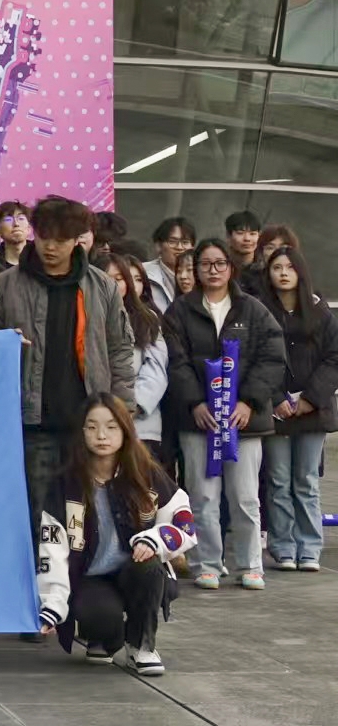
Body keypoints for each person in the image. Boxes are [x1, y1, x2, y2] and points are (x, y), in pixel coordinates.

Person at [0, 197, 135, 546]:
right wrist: (2, 342)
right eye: (44, 237)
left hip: (89, 422)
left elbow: (120, 349)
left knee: (86, 513)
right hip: (31, 423)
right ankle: (40, 578)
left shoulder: (102, 287)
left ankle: (82, 578)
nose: (50, 247)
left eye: (60, 239)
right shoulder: (2, 286)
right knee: (37, 513)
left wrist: (121, 409)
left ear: (78, 239)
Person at [36, 394, 194, 678]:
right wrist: (52, 605)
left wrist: (154, 540)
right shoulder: (65, 482)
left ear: (125, 430)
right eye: (92, 427)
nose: (101, 435)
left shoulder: (147, 474)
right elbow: (53, 547)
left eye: (111, 427)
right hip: (90, 577)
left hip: (135, 570)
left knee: (149, 567)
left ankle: (141, 645)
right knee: (97, 616)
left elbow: (184, 524)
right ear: (81, 432)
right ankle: (107, 638)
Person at [160, 237, 286, 591]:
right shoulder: (180, 311)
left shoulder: (253, 310)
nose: (212, 271)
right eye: (205, 264)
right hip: (198, 421)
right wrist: (195, 403)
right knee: (202, 497)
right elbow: (175, 361)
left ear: (231, 268)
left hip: (243, 423)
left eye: (219, 264)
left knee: (245, 497)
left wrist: (249, 402)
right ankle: (207, 564)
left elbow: (272, 358)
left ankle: (250, 564)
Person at [256, 246, 337, 573]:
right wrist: (276, 397)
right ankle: (283, 547)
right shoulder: (259, 310)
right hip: (275, 411)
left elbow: (334, 359)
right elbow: (254, 357)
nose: (284, 273)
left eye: (290, 267)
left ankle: (310, 547)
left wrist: (310, 398)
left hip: (313, 411)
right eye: (277, 267)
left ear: (301, 272)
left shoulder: (320, 312)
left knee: (306, 480)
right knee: (277, 480)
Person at [100, 252, 169, 466]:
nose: (113, 284)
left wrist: (133, 406)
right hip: (97, 421)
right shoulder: (85, 318)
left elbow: (156, 369)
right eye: (106, 278)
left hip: (140, 422)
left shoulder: (147, 318)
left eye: (119, 278)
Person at [143, 218, 194, 313]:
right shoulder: (143, 274)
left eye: (185, 242)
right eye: (172, 242)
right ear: (158, 246)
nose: (179, 247)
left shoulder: (203, 276)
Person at [0, 200, 31, 273]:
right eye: (8, 219)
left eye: (21, 218)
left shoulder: (42, 261)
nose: (16, 224)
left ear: (29, 228)